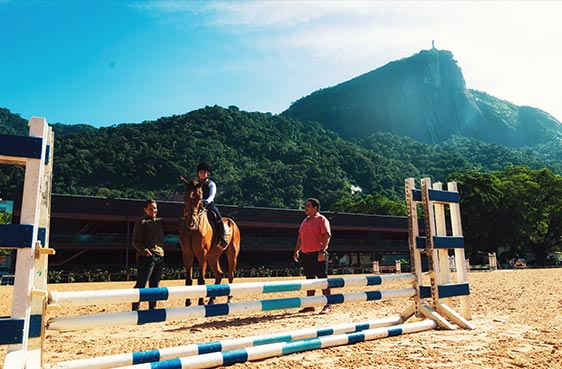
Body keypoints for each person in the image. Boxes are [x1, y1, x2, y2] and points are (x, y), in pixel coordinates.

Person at [293, 198, 332, 315]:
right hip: (306, 254)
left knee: (323, 279)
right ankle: (310, 305)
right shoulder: (304, 221)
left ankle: (328, 304)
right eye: (306, 206)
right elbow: (300, 238)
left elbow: (327, 236)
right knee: (309, 280)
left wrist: (322, 251)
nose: (305, 208)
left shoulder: (322, 220)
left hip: (318, 253)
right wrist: (296, 251)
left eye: (308, 206)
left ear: (315, 208)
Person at [131, 199, 164, 311]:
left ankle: (152, 308)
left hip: (159, 256)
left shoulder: (159, 222)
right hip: (147, 257)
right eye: (150, 208)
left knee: (155, 284)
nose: (153, 210)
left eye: (154, 208)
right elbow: (136, 241)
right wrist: (145, 251)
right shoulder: (141, 222)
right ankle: (135, 308)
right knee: (142, 283)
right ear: (145, 210)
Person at [196, 162, 229, 247]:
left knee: (217, 215)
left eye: (204, 172)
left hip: (208, 204)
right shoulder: (196, 184)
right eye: (200, 172)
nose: (202, 174)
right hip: (197, 205)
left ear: (208, 173)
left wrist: (206, 202)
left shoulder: (211, 184)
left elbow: (211, 196)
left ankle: (223, 236)